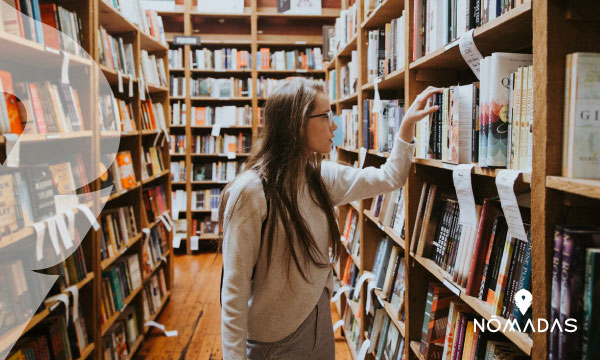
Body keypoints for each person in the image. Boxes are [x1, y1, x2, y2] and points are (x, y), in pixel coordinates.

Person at [219, 77, 441, 359]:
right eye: (325, 116)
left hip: (318, 321)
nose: (334, 125)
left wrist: (407, 126)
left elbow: (390, 177)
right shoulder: (250, 192)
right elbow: (234, 289)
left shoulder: (321, 177)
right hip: (273, 341)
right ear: (297, 124)